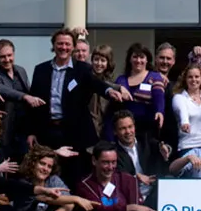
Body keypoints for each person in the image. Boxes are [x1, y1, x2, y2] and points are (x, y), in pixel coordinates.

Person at [28, 29, 127, 180]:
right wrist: (31, 131)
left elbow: (96, 83)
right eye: (60, 43)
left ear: (73, 47)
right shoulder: (40, 70)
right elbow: (34, 104)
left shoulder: (82, 69)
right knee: (48, 174)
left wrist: (108, 91)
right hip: (48, 132)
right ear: (53, 46)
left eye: (67, 44)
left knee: (76, 175)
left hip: (75, 132)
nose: (63, 47)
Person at [70, 141, 156, 211]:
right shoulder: (85, 185)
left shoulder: (127, 179)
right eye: (105, 162)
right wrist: (129, 208)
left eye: (113, 162)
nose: (110, 167)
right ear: (94, 161)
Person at [0, 38, 41, 152]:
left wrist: (31, 130)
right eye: (2, 57)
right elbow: (4, 90)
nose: (7, 59)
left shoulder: (21, 71)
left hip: (23, 130)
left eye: (9, 55)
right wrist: (25, 96)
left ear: (14, 54)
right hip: (5, 130)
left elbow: (29, 94)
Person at [112, 110, 168, 207]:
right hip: (132, 198)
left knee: (169, 180)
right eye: (123, 128)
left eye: (130, 127)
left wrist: (164, 148)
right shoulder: (113, 152)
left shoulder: (145, 140)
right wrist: (135, 177)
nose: (128, 132)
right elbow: (116, 176)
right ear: (115, 132)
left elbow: (160, 145)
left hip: (154, 193)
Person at [112, 43, 166, 142]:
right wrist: (119, 88)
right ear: (130, 59)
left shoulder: (154, 77)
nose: (138, 60)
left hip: (146, 131)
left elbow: (159, 97)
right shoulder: (121, 80)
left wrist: (159, 111)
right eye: (135, 57)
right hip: (125, 131)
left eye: (142, 57)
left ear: (147, 60)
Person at [171, 63, 201, 155]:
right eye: (190, 77)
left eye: (197, 76)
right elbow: (183, 110)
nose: (194, 80)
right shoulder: (179, 97)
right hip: (188, 146)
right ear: (185, 80)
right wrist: (185, 122)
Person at [88, 45, 116, 140]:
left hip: (104, 130)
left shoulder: (111, 84)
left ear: (108, 63)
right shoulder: (85, 78)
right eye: (96, 59)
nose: (99, 63)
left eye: (103, 60)